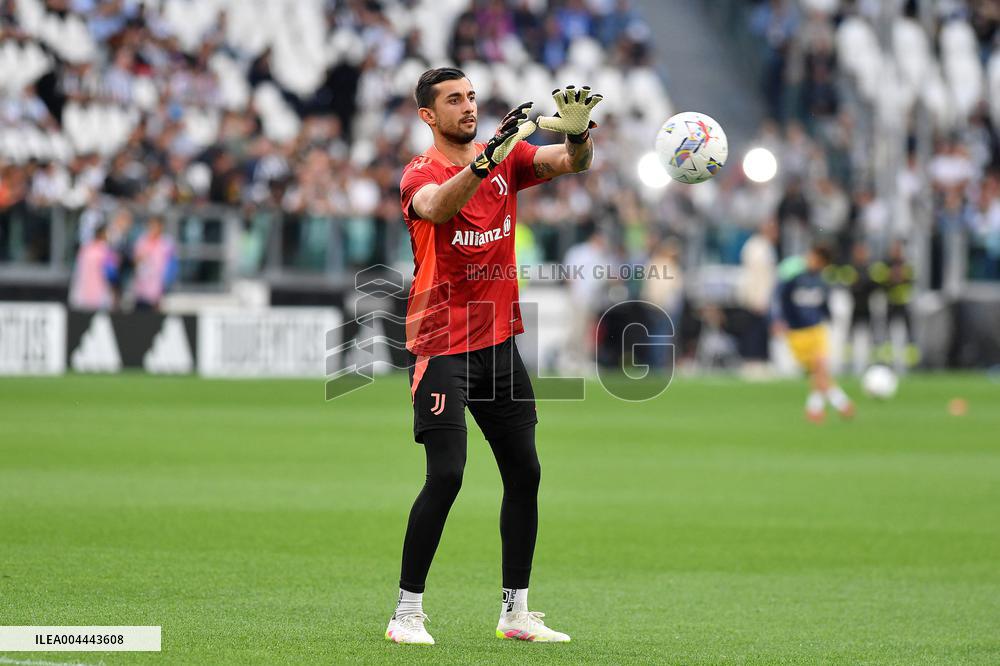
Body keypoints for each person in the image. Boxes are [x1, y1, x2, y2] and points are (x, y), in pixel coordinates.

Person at [386, 67, 602, 645]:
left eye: (472, 96)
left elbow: (569, 164)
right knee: (448, 474)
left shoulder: (502, 154)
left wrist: (579, 134)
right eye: (453, 100)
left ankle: (516, 612)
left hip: (497, 342)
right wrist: (481, 166)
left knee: (525, 473)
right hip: (442, 343)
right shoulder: (419, 173)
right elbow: (435, 208)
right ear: (428, 116)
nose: (468, 106)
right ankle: (405, 614)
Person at [773, 243, 854, 423]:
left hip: (816, 329)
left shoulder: (821, 280)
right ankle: (830, 405)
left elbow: (823, 302)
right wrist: (777, 319)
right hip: (797, 332)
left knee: (820, 368)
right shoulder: (793, 273)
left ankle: (833, 407)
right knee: (817, 373)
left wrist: (830, 318)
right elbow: (778, 297)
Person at [737, 219, 778, 378]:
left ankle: (759, 361)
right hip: (756, 296)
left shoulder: (765, 246)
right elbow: (756, 276)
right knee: (754, 330)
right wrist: (758, 298)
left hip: (762, 296)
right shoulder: (757, 247)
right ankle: (752, 363)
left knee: (760, 330)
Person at [132, 217, 178, 311]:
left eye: (155, 226)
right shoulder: (142, 241)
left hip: (158, 286)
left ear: (161, 227)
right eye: (151, 226)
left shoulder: (166, 243)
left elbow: (171, 264)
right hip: (142, 286)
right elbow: (135, 260)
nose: (152, 229)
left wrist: (166, 282)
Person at [69, 224, 119, 311]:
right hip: (100, 296)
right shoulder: (106, 251)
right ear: (103, 234)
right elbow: (111, 274)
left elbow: (77, 271)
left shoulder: (84, 249)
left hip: (82, 295)